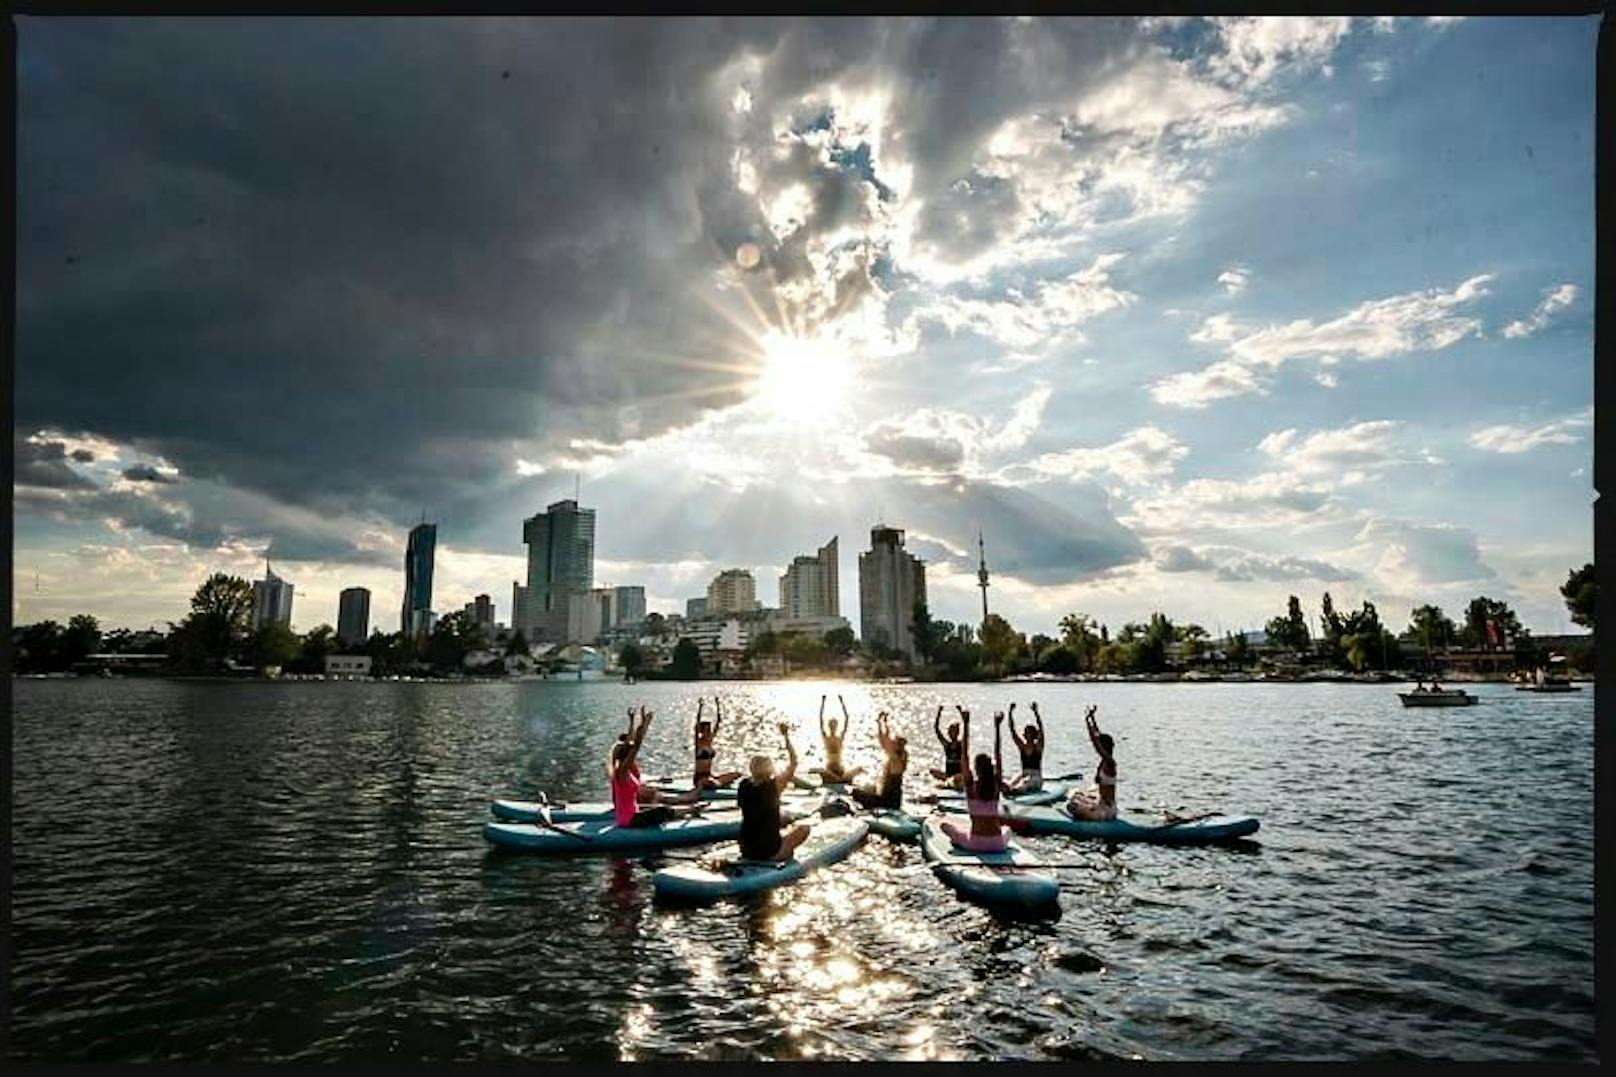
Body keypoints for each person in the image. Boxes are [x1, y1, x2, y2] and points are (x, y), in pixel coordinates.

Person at [610, 707, 704, 829]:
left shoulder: (625, 772)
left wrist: (638, 721)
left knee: (657, 806)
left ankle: (690, 809)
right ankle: (690, 810)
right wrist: (644, 724)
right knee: (662, 810)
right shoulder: (621, 771)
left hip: (631, 815)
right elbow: (635, 746)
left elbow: (632, 743)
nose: (632, 755)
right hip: (629, 820)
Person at [939, 707, 1010, 853]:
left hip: (976, 843)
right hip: (998, 844)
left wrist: (966, 723)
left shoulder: (971, 787)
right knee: (1007, 829)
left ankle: (960, 839)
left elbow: (964, 753)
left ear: (976, 769)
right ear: (990, 768)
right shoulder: (995, 786)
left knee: (945, 826)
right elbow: (998, 753)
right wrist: (997, 727)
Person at [737, 721, 811, 862]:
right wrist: (786, 736)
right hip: (768, 851)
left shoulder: (743, 785)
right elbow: (794, 762)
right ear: (769, 770)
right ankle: (779, 855)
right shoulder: (774, 786)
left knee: (781, 823)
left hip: (746, 849)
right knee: (804, 828)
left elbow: (756, 811)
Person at [1065, 704, 1117, 822]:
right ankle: (1090, 809)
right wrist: (1091, 718)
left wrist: (1087, 721)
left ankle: (1088, 814)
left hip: (1106, 811)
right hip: (1102, 804)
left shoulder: (1110, 762)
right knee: (1075, 796)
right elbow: (1098, 735)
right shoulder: (1105, 760)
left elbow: (1095, 741)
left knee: (1072, 807)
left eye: (1100, 746)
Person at [851, 710, 908, 811]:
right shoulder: (901, 756)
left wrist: (882, 723)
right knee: (869, 787)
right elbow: (885, 740)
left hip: (887, 802)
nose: (891, 742)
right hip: (892, 800)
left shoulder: (895, 758)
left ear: (897, 746)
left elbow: (884, 740)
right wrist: (882, 723)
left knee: (855, 792)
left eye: (894, 742)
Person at [809, 695, 864, 785]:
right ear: (829, 726)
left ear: (836, 726)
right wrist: (823, 703)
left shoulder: (840, 738)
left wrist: (842, 702)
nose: (833, 727)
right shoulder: (826, 738)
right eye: (831, 725)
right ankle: (840, 779)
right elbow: (820, 720)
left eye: (834, 725)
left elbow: (847, 719)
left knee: (860, 768)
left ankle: (840, 778)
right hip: (830, 769)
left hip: (839, 769)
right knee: (823, 771)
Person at [692, 697, 742, 790]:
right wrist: (700, 707)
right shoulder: (698, 743)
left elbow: (718, 722)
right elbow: (696, 724)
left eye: (709, 730)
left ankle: (720, 783)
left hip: (710, 776)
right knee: (712, 782)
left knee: (737, 774)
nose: (708, 733)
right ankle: (720, 784)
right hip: (700, 779)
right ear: (701, 731)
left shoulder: (710, 740)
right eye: (706, 731)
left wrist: (718, 705)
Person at [1006, 701, 1046, 793]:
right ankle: (1010, 788)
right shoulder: (1022, 747)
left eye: (1029, 732)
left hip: (1036, 778)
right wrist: (1010, 713)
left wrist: (1036, 712)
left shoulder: (1038, 747)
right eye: (1026, 732)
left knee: (1025, 781)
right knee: (1013, 780)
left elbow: (1041, 730)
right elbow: (1012, 731)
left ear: (1033, 734)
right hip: (1024, 774)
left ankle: (1018, 790)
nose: (1028, 734)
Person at [928, 706, 965, 788]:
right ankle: (948, 781)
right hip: (948, 775)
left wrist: (962, 713)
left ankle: (952, 782)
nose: (951, 733)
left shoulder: (961, 745)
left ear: (957, 733)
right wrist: (939, 713)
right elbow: (937, 730)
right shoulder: (947, 745)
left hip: (959, 775)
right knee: (931, 771)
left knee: (957, 778)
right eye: (950, 732)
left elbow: (966, 732)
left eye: (953, 731)